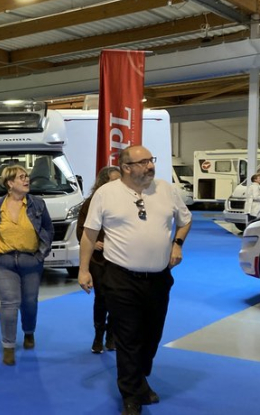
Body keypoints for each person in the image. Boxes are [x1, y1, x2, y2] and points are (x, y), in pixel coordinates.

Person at [78, 146, 191, 415]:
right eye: (143, 162)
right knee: (127, 338)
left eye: (151, 160)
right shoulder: (106, 193)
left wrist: (177, 244)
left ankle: (140, 379)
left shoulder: (166, 189)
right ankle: (131, 396)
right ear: (127, 167)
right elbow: (89, 234)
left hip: (159, 279)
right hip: (120, 278)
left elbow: (185, 221)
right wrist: (84, 270)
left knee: (152, 336)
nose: (150, 166)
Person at [0, 165, 54, 366]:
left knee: (29, 302)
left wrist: (40, 255)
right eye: (21, 177)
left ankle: (29, 332)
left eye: (26, 176)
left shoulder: (38, 204)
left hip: (31, 261)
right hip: (4, 264)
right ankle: (8, 346)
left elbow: (48, 229)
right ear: (10, 183)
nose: (26, 180)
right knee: (9, 303)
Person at [76, 166, 121, 354]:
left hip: (119, 260)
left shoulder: (126, 203)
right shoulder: (90, 203)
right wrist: (93, 244)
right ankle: (98, 336)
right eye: (113, 181)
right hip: (99, 261)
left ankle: (111, 336)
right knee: (101, 299)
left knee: (118, 300)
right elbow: (81, 231)